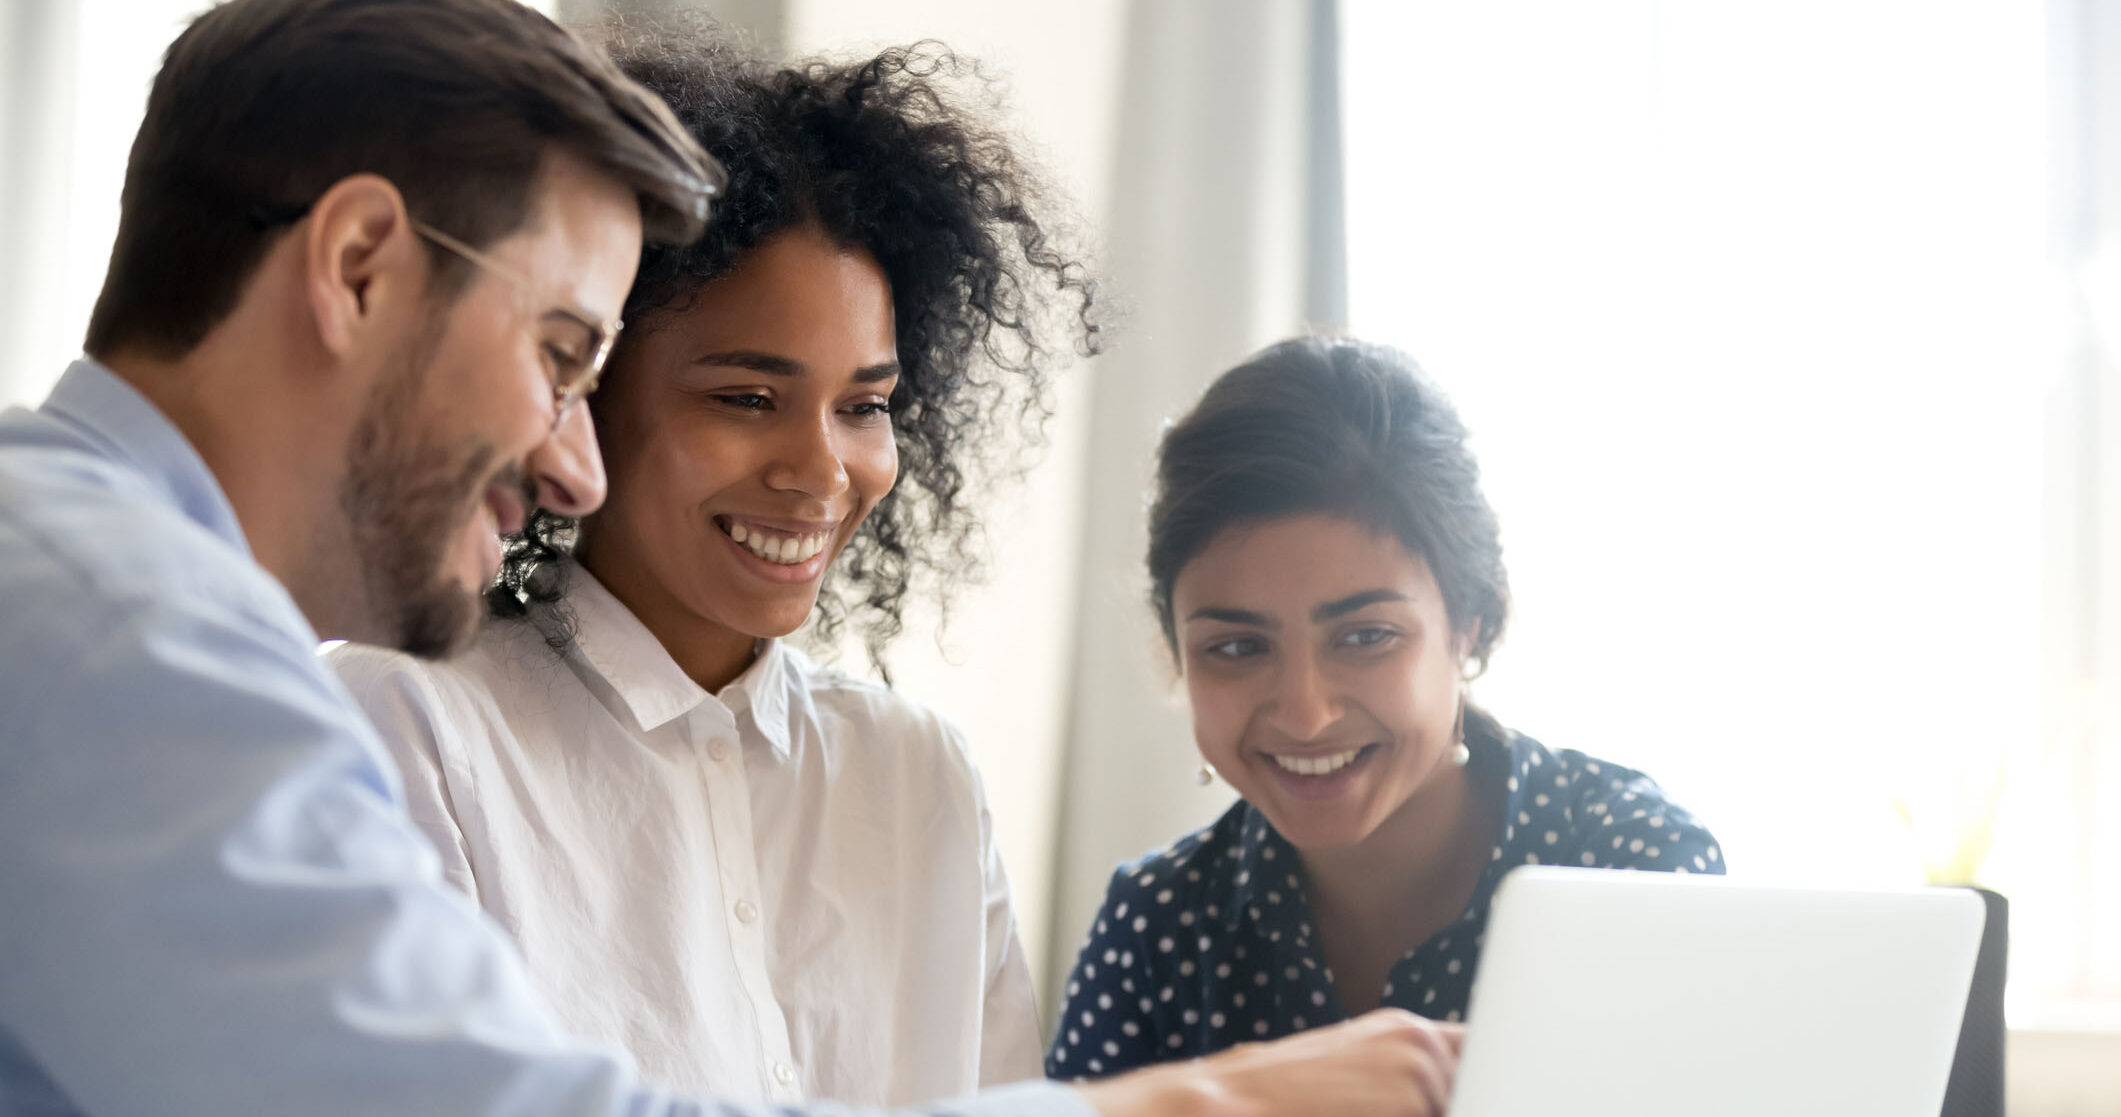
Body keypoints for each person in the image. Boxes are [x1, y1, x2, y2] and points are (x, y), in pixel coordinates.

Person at [0, 2, 1459, 1114]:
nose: (572, 462)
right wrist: (1200, 1098)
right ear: (361, 265)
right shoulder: (109, 619)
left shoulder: (96, 577)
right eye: (564, 354)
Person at [328, 27, 1087, 1105]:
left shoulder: (919, 778)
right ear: (580, 398)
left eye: (864, 406)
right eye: (745, 398)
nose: (822, 471)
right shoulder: (410, 725)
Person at [1047, 337, 1722, 1079]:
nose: (1304, 713)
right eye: (1237, 648)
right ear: (1176, 653)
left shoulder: (1635, 869)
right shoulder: (1156, 923)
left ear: (1469, 623)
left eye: (1365, 636)